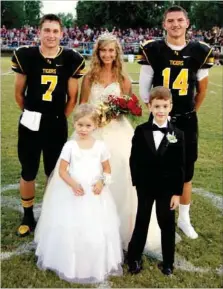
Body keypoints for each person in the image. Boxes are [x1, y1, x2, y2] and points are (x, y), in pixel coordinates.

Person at [80, 32, 161, 252]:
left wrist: (117, 111)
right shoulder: (89, 78)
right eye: (103, 50)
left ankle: (122, 229)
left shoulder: (123, 79)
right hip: (94, 131)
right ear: (97, 53)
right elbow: (82, 107)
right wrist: (94, 118)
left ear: (117, 53)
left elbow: (129, 105)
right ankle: (89, 228)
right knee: (89, 175)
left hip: (118, 132)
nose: (107, 54)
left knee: (123, 174)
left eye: (111, 50)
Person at [138, 5, 214, 239]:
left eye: (180, 20)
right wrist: (159, 114)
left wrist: (188, 112)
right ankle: (152, 216)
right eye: (170, 20)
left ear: (187, 23)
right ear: (164, 24)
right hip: (159, 119)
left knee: (185, 170)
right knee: (154, 167)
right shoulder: (153, 49)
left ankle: (184, 218)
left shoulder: (200, 50)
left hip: (186, 120)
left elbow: (201, 89)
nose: (175, 24)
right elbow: (144, 89)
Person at [11, 14, 85, 237]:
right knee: (28, 170)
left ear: (61, 33)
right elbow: (18, 94)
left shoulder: (71, 58)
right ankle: (27, 215)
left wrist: (57, 117)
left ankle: (54, 215)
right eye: (47, 30)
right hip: (31, 120)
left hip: (55, 122)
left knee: (55, 172)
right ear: (39, 32)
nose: (51, 35)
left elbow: (73, 97)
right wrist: (32, 114)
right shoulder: (26, 55)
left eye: (55, 31)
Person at [35, 104, 123, 284]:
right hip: (72, 192)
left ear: (95, 126)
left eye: (88, 126)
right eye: (80, 125)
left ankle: (91, 261)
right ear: (74, 124)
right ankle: (68, 261)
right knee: (69, 226)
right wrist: (73, 184)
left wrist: (101, 182)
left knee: (94, 227)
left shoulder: (100, 146)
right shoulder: (70, 146)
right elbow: (62, 171)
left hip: (95, 193)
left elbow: (107, 169)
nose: (83, 129)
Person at [127, 86, 185, 276]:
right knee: (141, 220)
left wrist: (177, 193)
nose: (161, 110)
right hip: (145, 186)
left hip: (167, 189)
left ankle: (168, 262)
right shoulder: (141, 130)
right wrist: (137, 182)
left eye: (164, 106)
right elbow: (134, 159)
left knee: (166, 222)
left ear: (171, 107)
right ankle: (134, 258)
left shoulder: (178, 134)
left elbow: (180, 166)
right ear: (150, 107)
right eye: (157, 106)